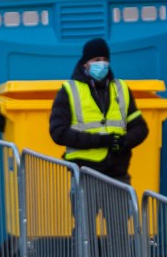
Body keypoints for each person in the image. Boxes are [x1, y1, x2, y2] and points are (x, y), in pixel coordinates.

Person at [49, 37, 148, 182]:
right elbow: (58, 133)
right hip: (84, 174)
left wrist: (123, 142)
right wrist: (101, 141)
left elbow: (140, 128)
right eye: (96, 60)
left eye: (104, 59)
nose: (101, 64)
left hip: (117, 174)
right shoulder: (69, 90)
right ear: (85, 64)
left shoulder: (121, 88)